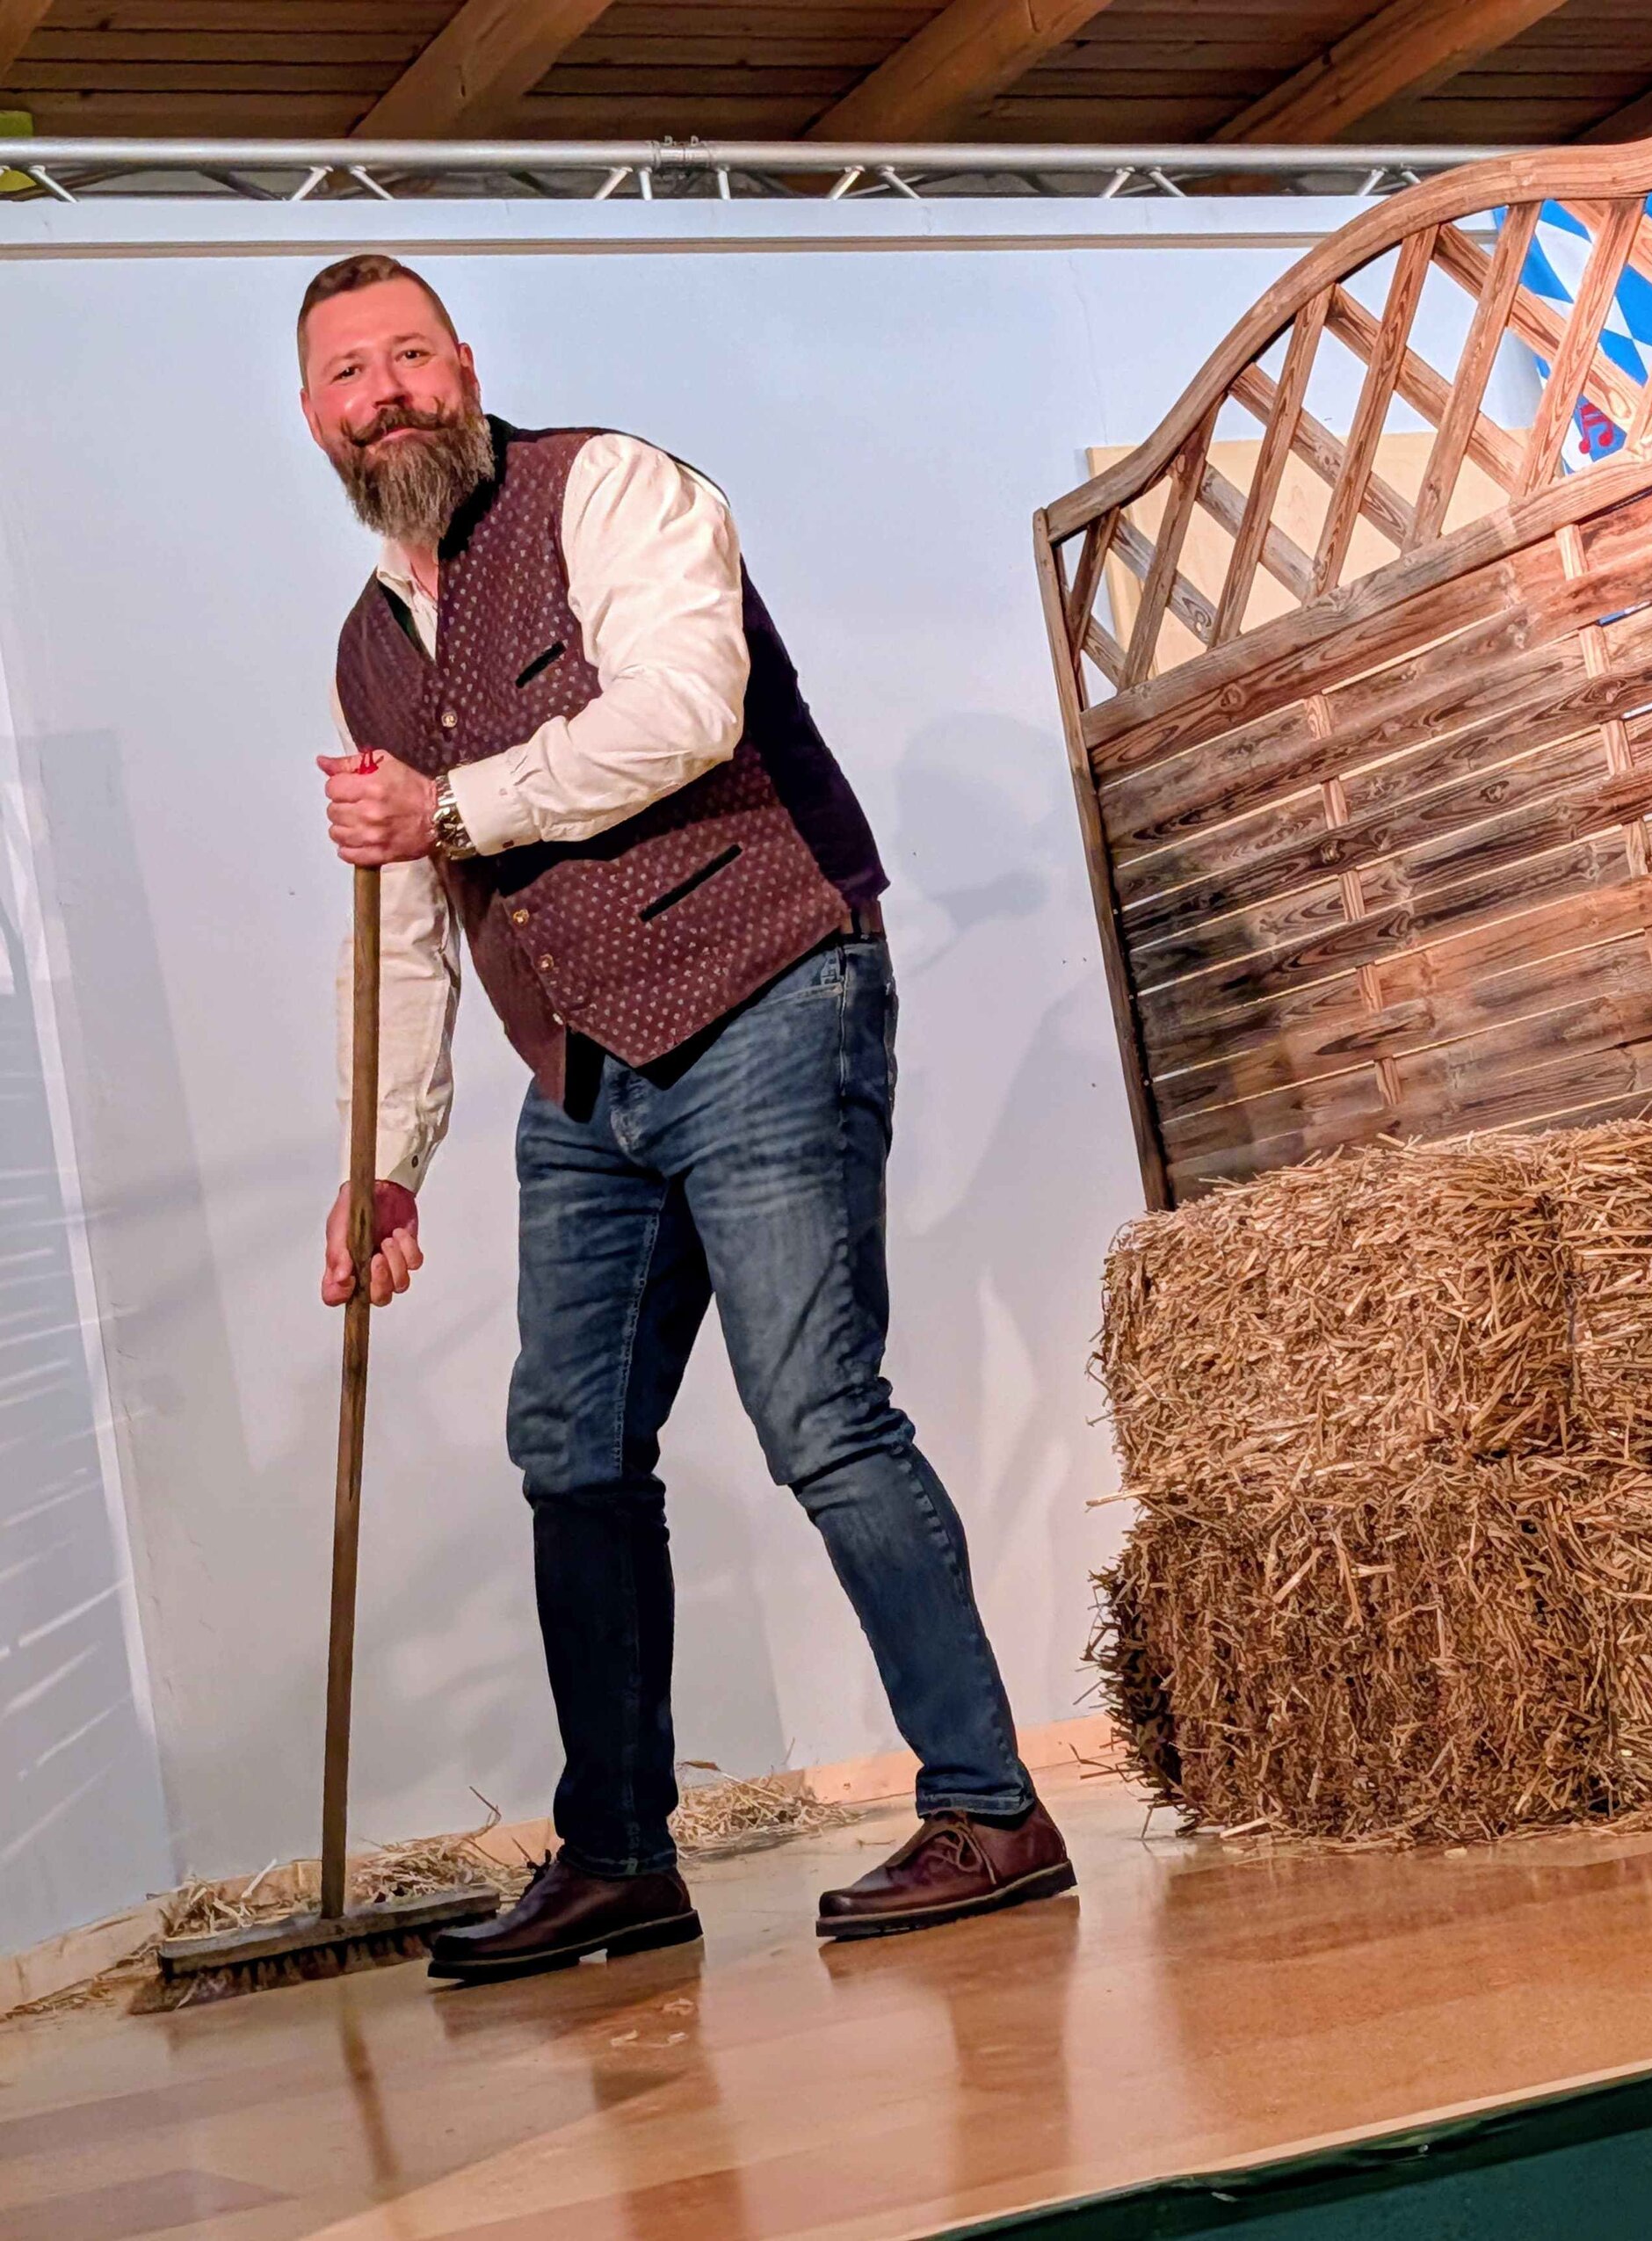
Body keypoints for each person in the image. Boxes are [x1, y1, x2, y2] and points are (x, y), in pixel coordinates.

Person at [298, 253, 1074, 1978]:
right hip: (584, 1069)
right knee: (569, 1446)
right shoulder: (365, 649)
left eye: (409, 356)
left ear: (462, 365)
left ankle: (990, 1807)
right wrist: (386, 1161)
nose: (385, 394)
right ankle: (619, 1858)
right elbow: (414, 924)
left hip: (768, 986)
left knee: (819, 1413)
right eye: (349, 374)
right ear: (313, 416)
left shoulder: (611, 488)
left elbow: (682, 710)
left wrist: (454, 803)